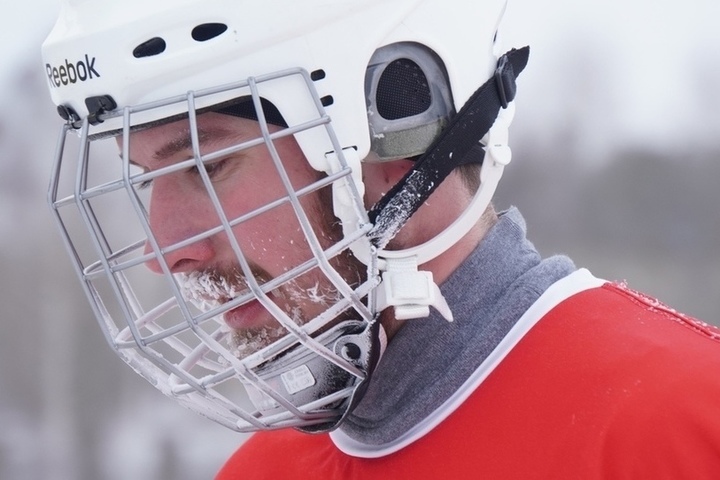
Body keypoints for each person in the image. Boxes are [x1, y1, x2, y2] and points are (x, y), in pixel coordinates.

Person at [41, 0, 720, 478]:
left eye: (205, 165)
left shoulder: (682, 425)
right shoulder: (260, 473)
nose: (165, 251)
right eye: (145, 179)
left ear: (394, 137)